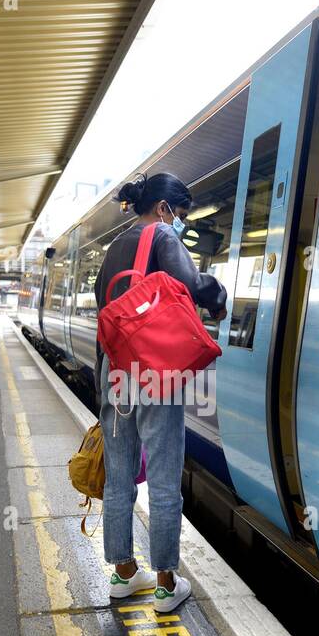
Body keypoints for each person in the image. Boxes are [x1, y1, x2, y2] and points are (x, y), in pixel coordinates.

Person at [96, 172, 227, 611]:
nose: (182, 224)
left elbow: (103, 302)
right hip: (155, 371)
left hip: (114, 370)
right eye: (181, 215)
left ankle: (124, 574)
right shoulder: (162, 235)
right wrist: (219, 293)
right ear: (165, 208)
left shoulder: (115, 246)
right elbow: (190, 283)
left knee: (119, 475)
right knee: (165, 476)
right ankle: (167, 584)